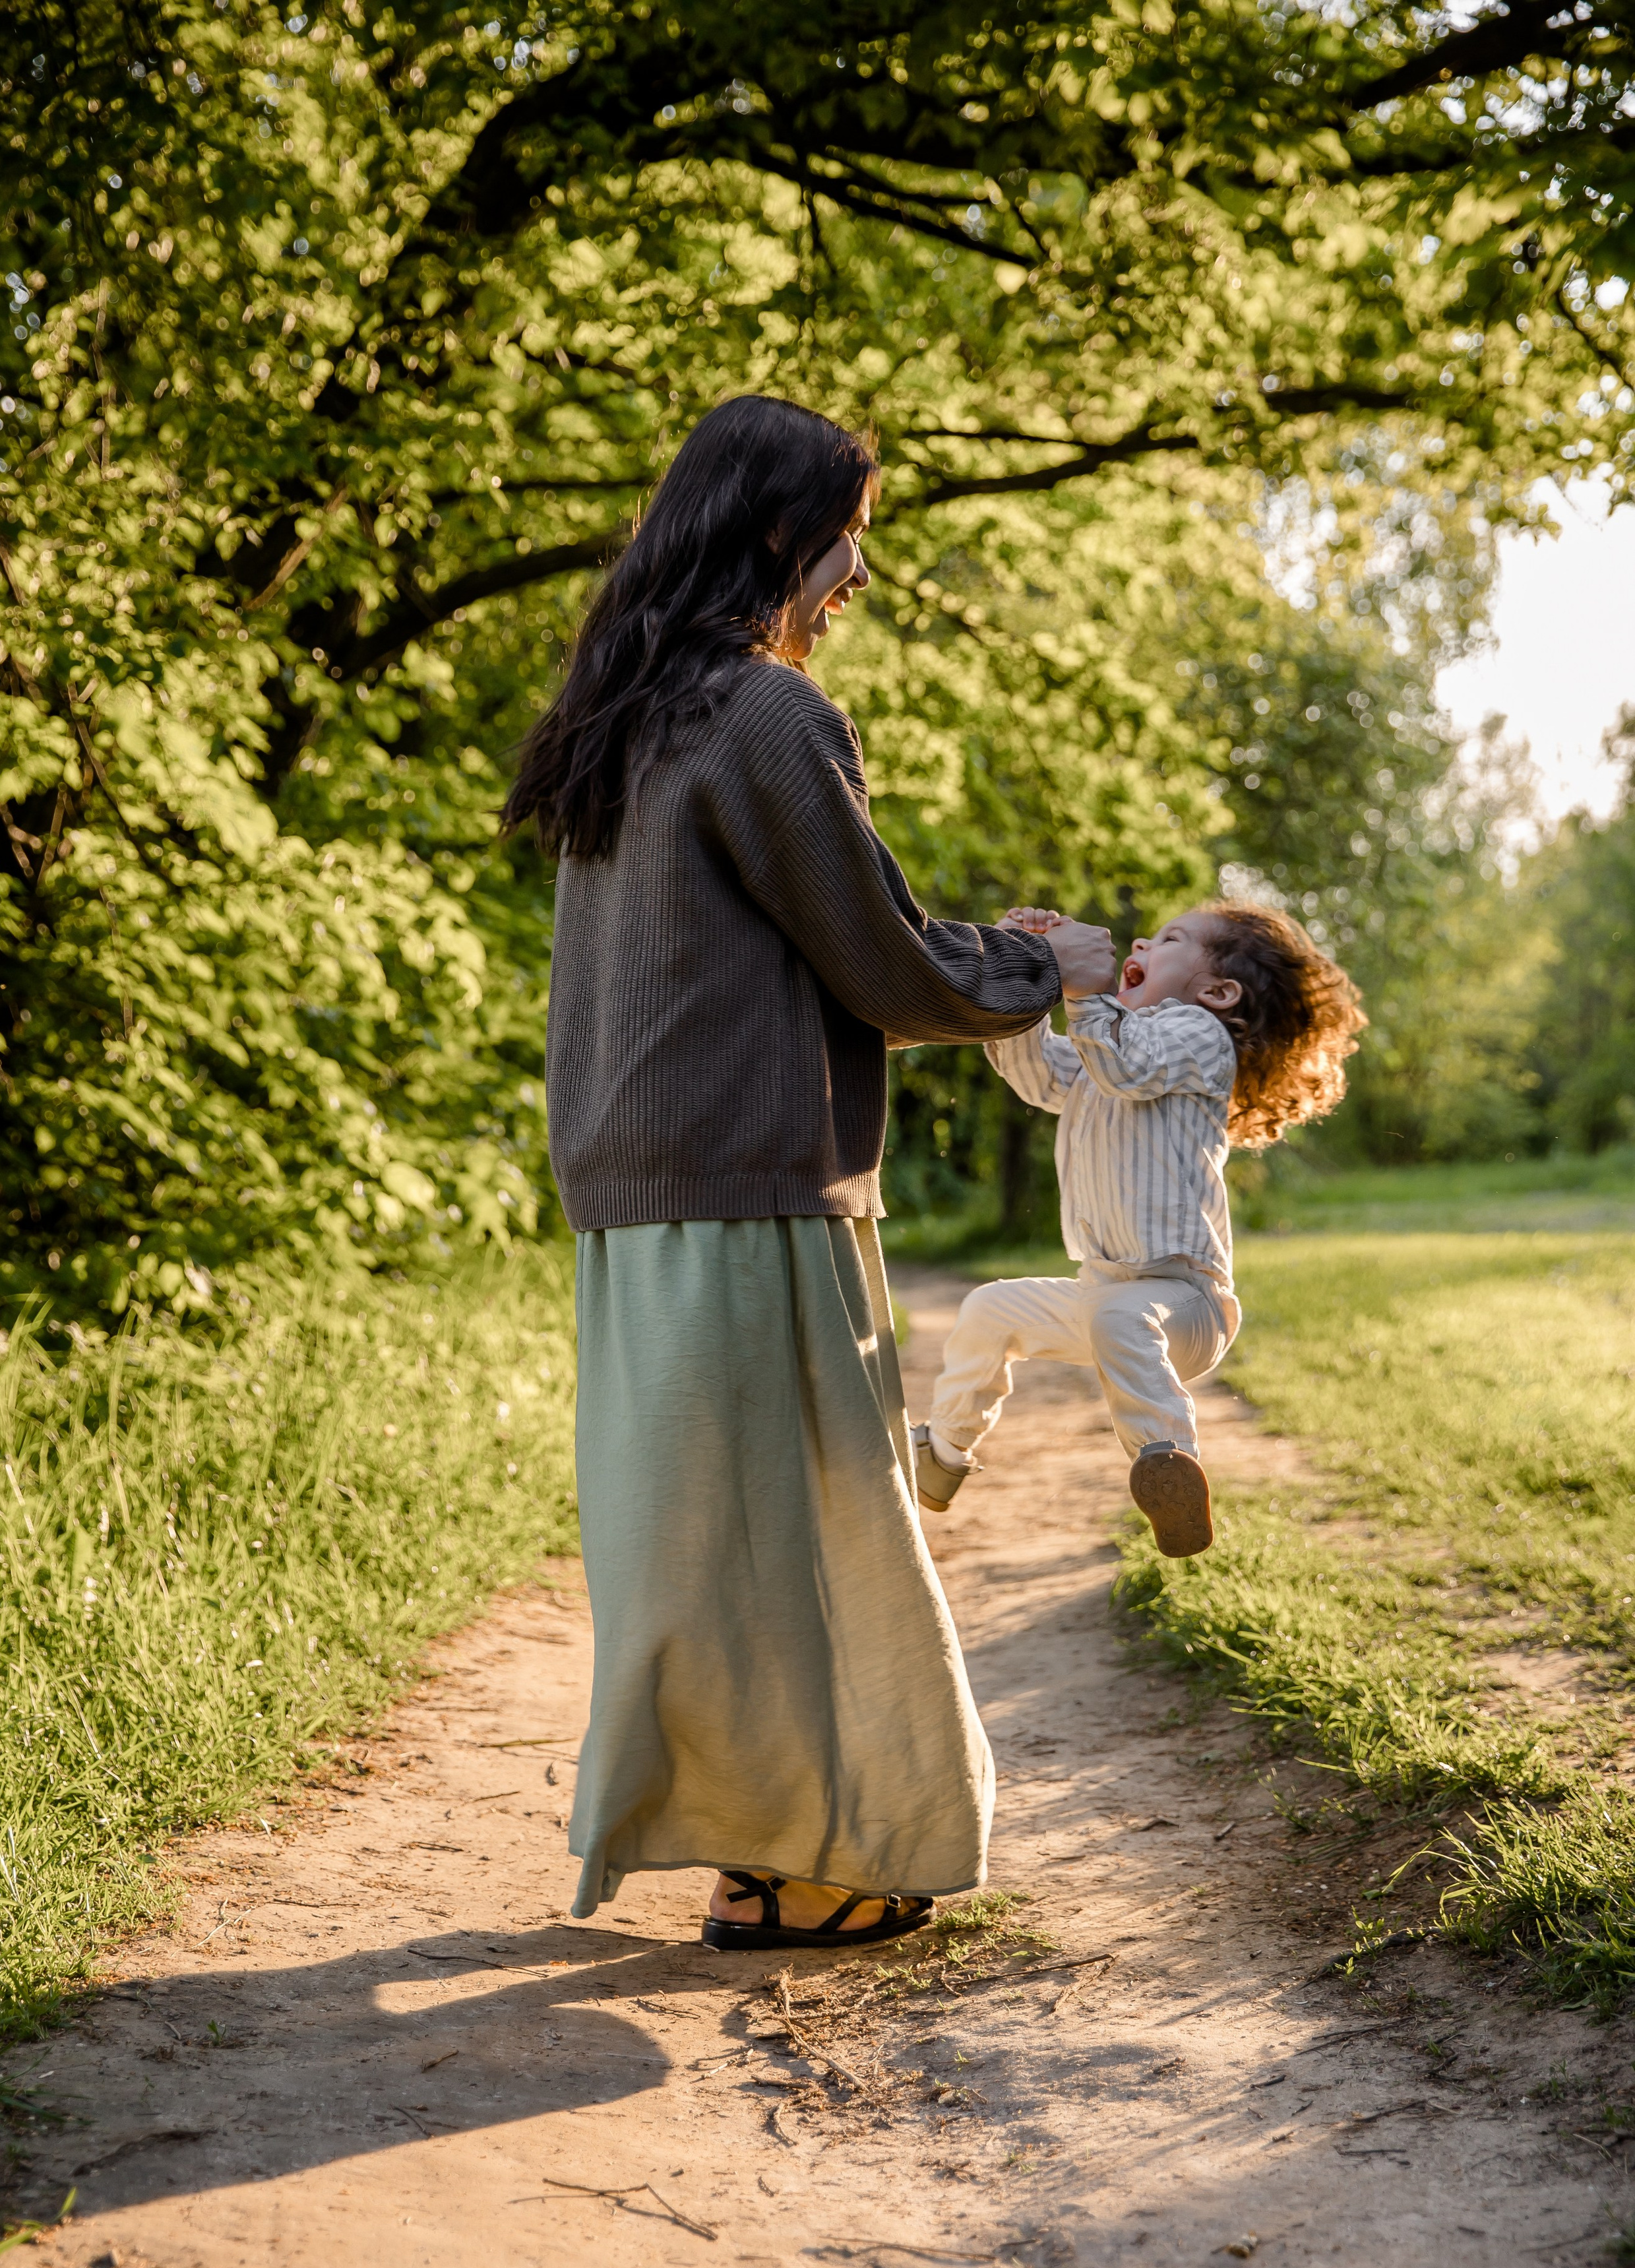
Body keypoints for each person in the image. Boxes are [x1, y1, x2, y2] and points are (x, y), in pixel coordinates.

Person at [509, 395, 1089, 1951]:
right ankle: (816, 1857)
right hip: (757, 1187)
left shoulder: (624, 713)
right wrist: (1034, 966)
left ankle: (767, 1855)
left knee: (708, 1543)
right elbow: (884, 965)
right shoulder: (766, 718)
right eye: (851, 538)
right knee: (821, 1528)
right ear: (783, 534)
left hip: (633, 1199)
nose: (857, 576)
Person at [912, 902, 1365, 1556]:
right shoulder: (1109, 1046)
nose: (1145, 941)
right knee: (991, 1309)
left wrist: (1087, 989)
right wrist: (1025, 974)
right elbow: (1039, 1075)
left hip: (1185, 1303)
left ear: (1215, 991)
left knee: (1122, 1319)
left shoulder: (1193, 1037)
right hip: (1103, 1293)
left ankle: (1169, 1464)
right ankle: (943, 1453)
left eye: (1172, 940)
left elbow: (1126, 1064)